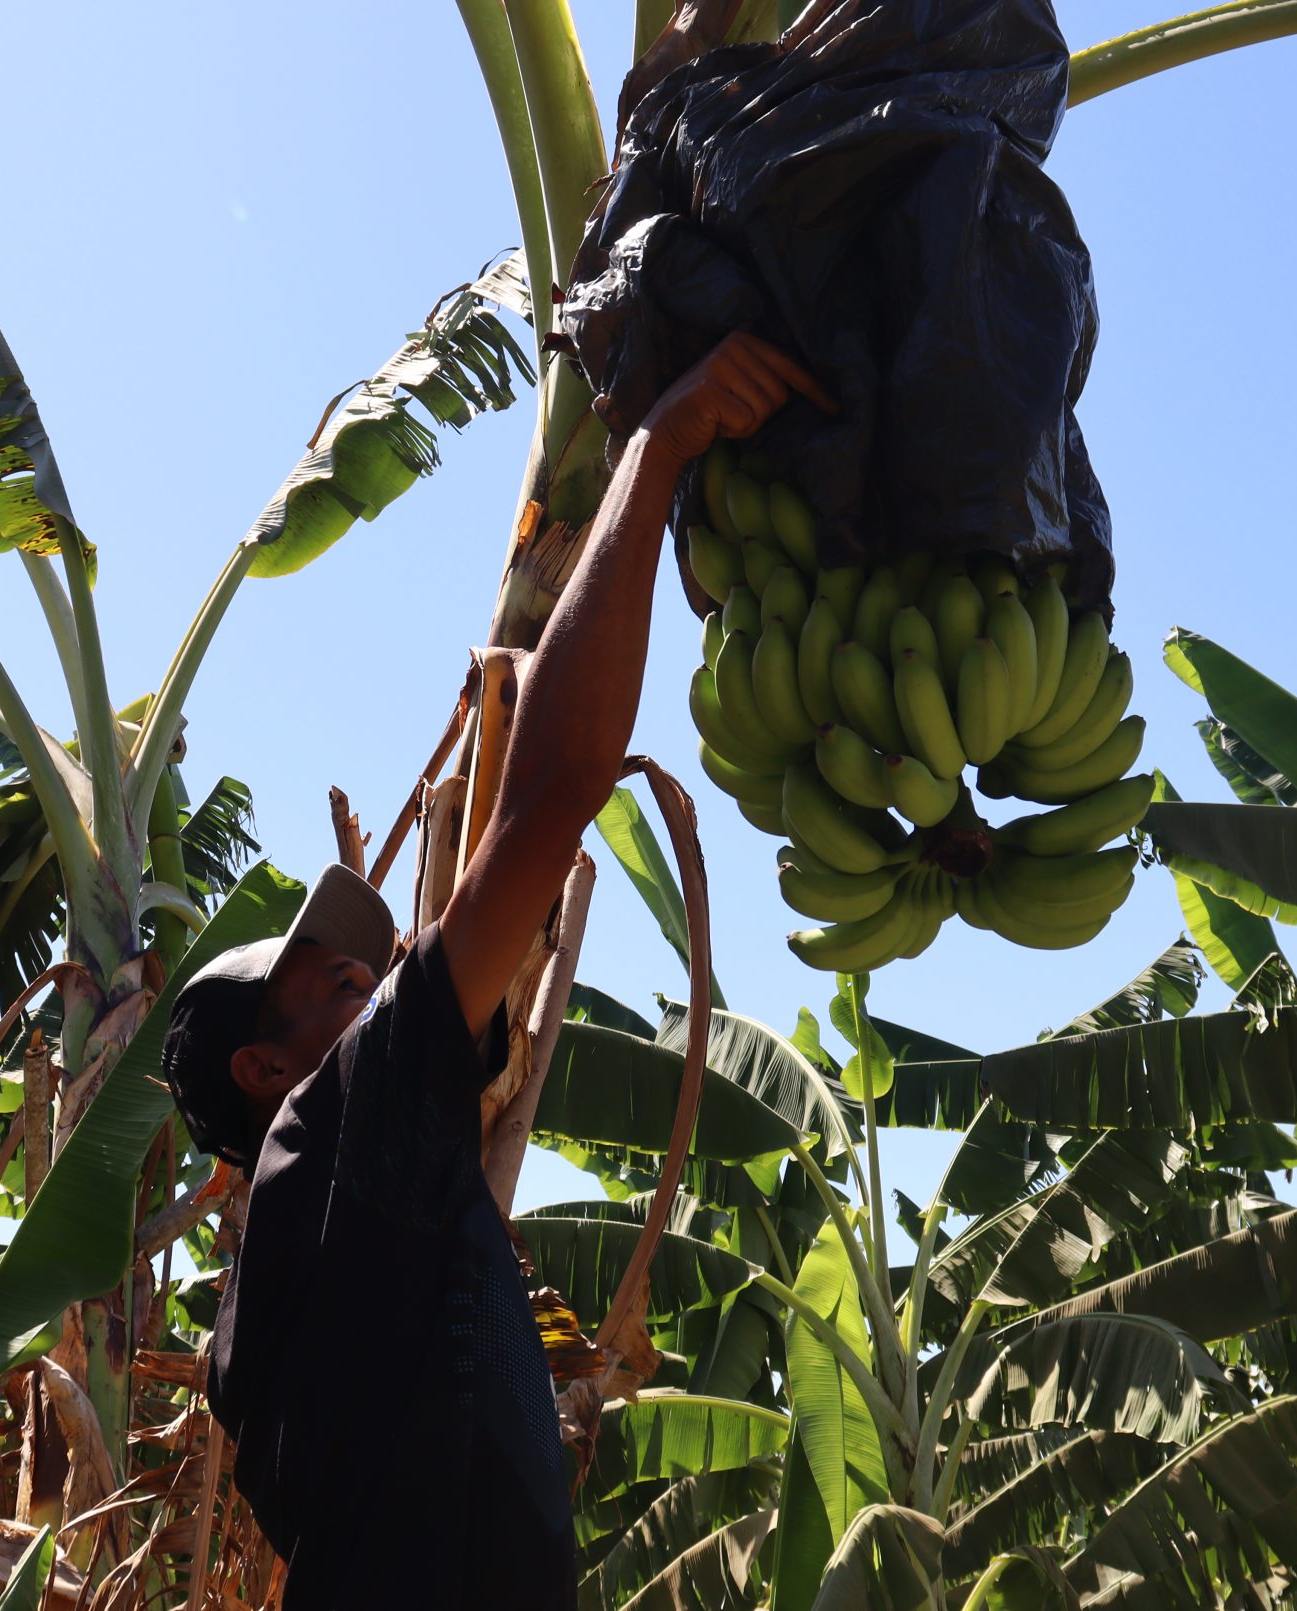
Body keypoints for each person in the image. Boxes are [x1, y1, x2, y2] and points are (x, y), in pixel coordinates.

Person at [161, 331, 832, 1608]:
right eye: (333, 984)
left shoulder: (267, 1310)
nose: (374, 984)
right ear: (265, 1067)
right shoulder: (335, 1121)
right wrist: (654, 448)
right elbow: (551, 803)